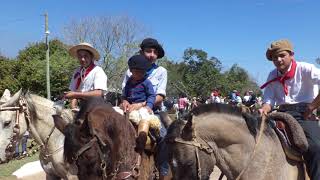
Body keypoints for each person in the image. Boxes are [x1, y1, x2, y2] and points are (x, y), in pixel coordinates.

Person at [259, 39, 320, 179]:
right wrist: (264, 109)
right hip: (281, 113)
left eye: (282, 55)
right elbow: (269, 100)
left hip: (304, 113)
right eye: (275, 57)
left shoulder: (306, 68)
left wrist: (312, 106)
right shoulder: (272, 74)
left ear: (291, 55)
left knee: (316, 147)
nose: (278, 59)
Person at [121, 38, 169, 179]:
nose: (151, 55)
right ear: (141, 52)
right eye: (148, 51)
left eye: (155, 52)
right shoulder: (129, 72)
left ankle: (163, 170)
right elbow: (124, 93)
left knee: (164, 137)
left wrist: (142, 105)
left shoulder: (161, 71)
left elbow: (159, 96)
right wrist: (124, 102)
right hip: (129, 109)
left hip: (153, 110)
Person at [121, 54, 156, 152]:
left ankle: (142, 137)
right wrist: (125, 101)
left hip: (142, 107)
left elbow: (151, 95)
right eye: (136, 71)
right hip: (130, 106)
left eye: (142, 72)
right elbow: (125, 94)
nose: (139, 74)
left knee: (144, 117)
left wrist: (149, 105)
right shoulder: (129, 82)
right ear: (131, 71)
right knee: (116, 113)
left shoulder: (146, 82)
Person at [65, 42, 108, 110]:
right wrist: (73, 108)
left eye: (86, 56)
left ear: (91, 57)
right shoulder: (77, 71)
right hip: (81, 107)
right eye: (80, 56)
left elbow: (99, 94)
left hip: (97, 108)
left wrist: (76, 94)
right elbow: (74, 91)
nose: (82, 59)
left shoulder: (98, 71)